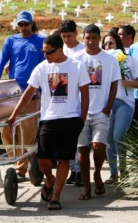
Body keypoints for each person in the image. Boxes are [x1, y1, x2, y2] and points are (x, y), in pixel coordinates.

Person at [7, 34, 89, 211]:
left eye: (48, 52)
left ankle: (56, 196)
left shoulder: (77, 66)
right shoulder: (41, 68)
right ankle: (50, 180)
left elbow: (85, 93)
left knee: (63, 159)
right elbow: (28, 93)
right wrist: (14, 114)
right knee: (43, 158)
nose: (45, 56)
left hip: (70, 118)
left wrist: (82, 118)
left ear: (60, 50)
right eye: (43, 52)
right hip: (48, 119)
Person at [0, 11, 44, 182]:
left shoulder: (40, 41)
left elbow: (44, 65)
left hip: (32, 91)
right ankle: (18, 158)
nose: (23, 28)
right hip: (11, 91)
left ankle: (21, 168)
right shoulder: (11, 41)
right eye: (20, 24)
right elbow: (0, 63)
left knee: (27, 127)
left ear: (31, 24)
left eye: (26, 24)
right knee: (5, 127)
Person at [72, 24, 121, 201]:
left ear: (99, 39)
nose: (91, 41)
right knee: (83, 150)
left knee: (98, 146)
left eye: (94, 38)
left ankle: (98, 173)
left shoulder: (109, 59)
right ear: (83, 38)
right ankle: (86, 187)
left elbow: (115, 83)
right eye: (87, 38)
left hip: (101, 111)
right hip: (81, 112)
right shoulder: (76, 59)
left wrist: (108, 107)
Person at [101, 33, 138, 184]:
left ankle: (123, 168)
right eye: (105, 44)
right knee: (109, 139)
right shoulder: (103, 62)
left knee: (118, 136)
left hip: (124, 103)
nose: (108, 47)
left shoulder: (129, 60)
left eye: (111, 43)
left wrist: (127, 83)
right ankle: (113, 174)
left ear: (117, 44)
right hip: (107, 103)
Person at [59, 19, 85, 186]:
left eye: (69, 36)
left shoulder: (83, 50)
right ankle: (71, 169)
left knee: (78, 138)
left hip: (79, 96)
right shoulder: (60, 49)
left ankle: (79, 171)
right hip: (62, 96)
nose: (67, 40)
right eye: (64, 37)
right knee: (65, 138)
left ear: (76, 33)